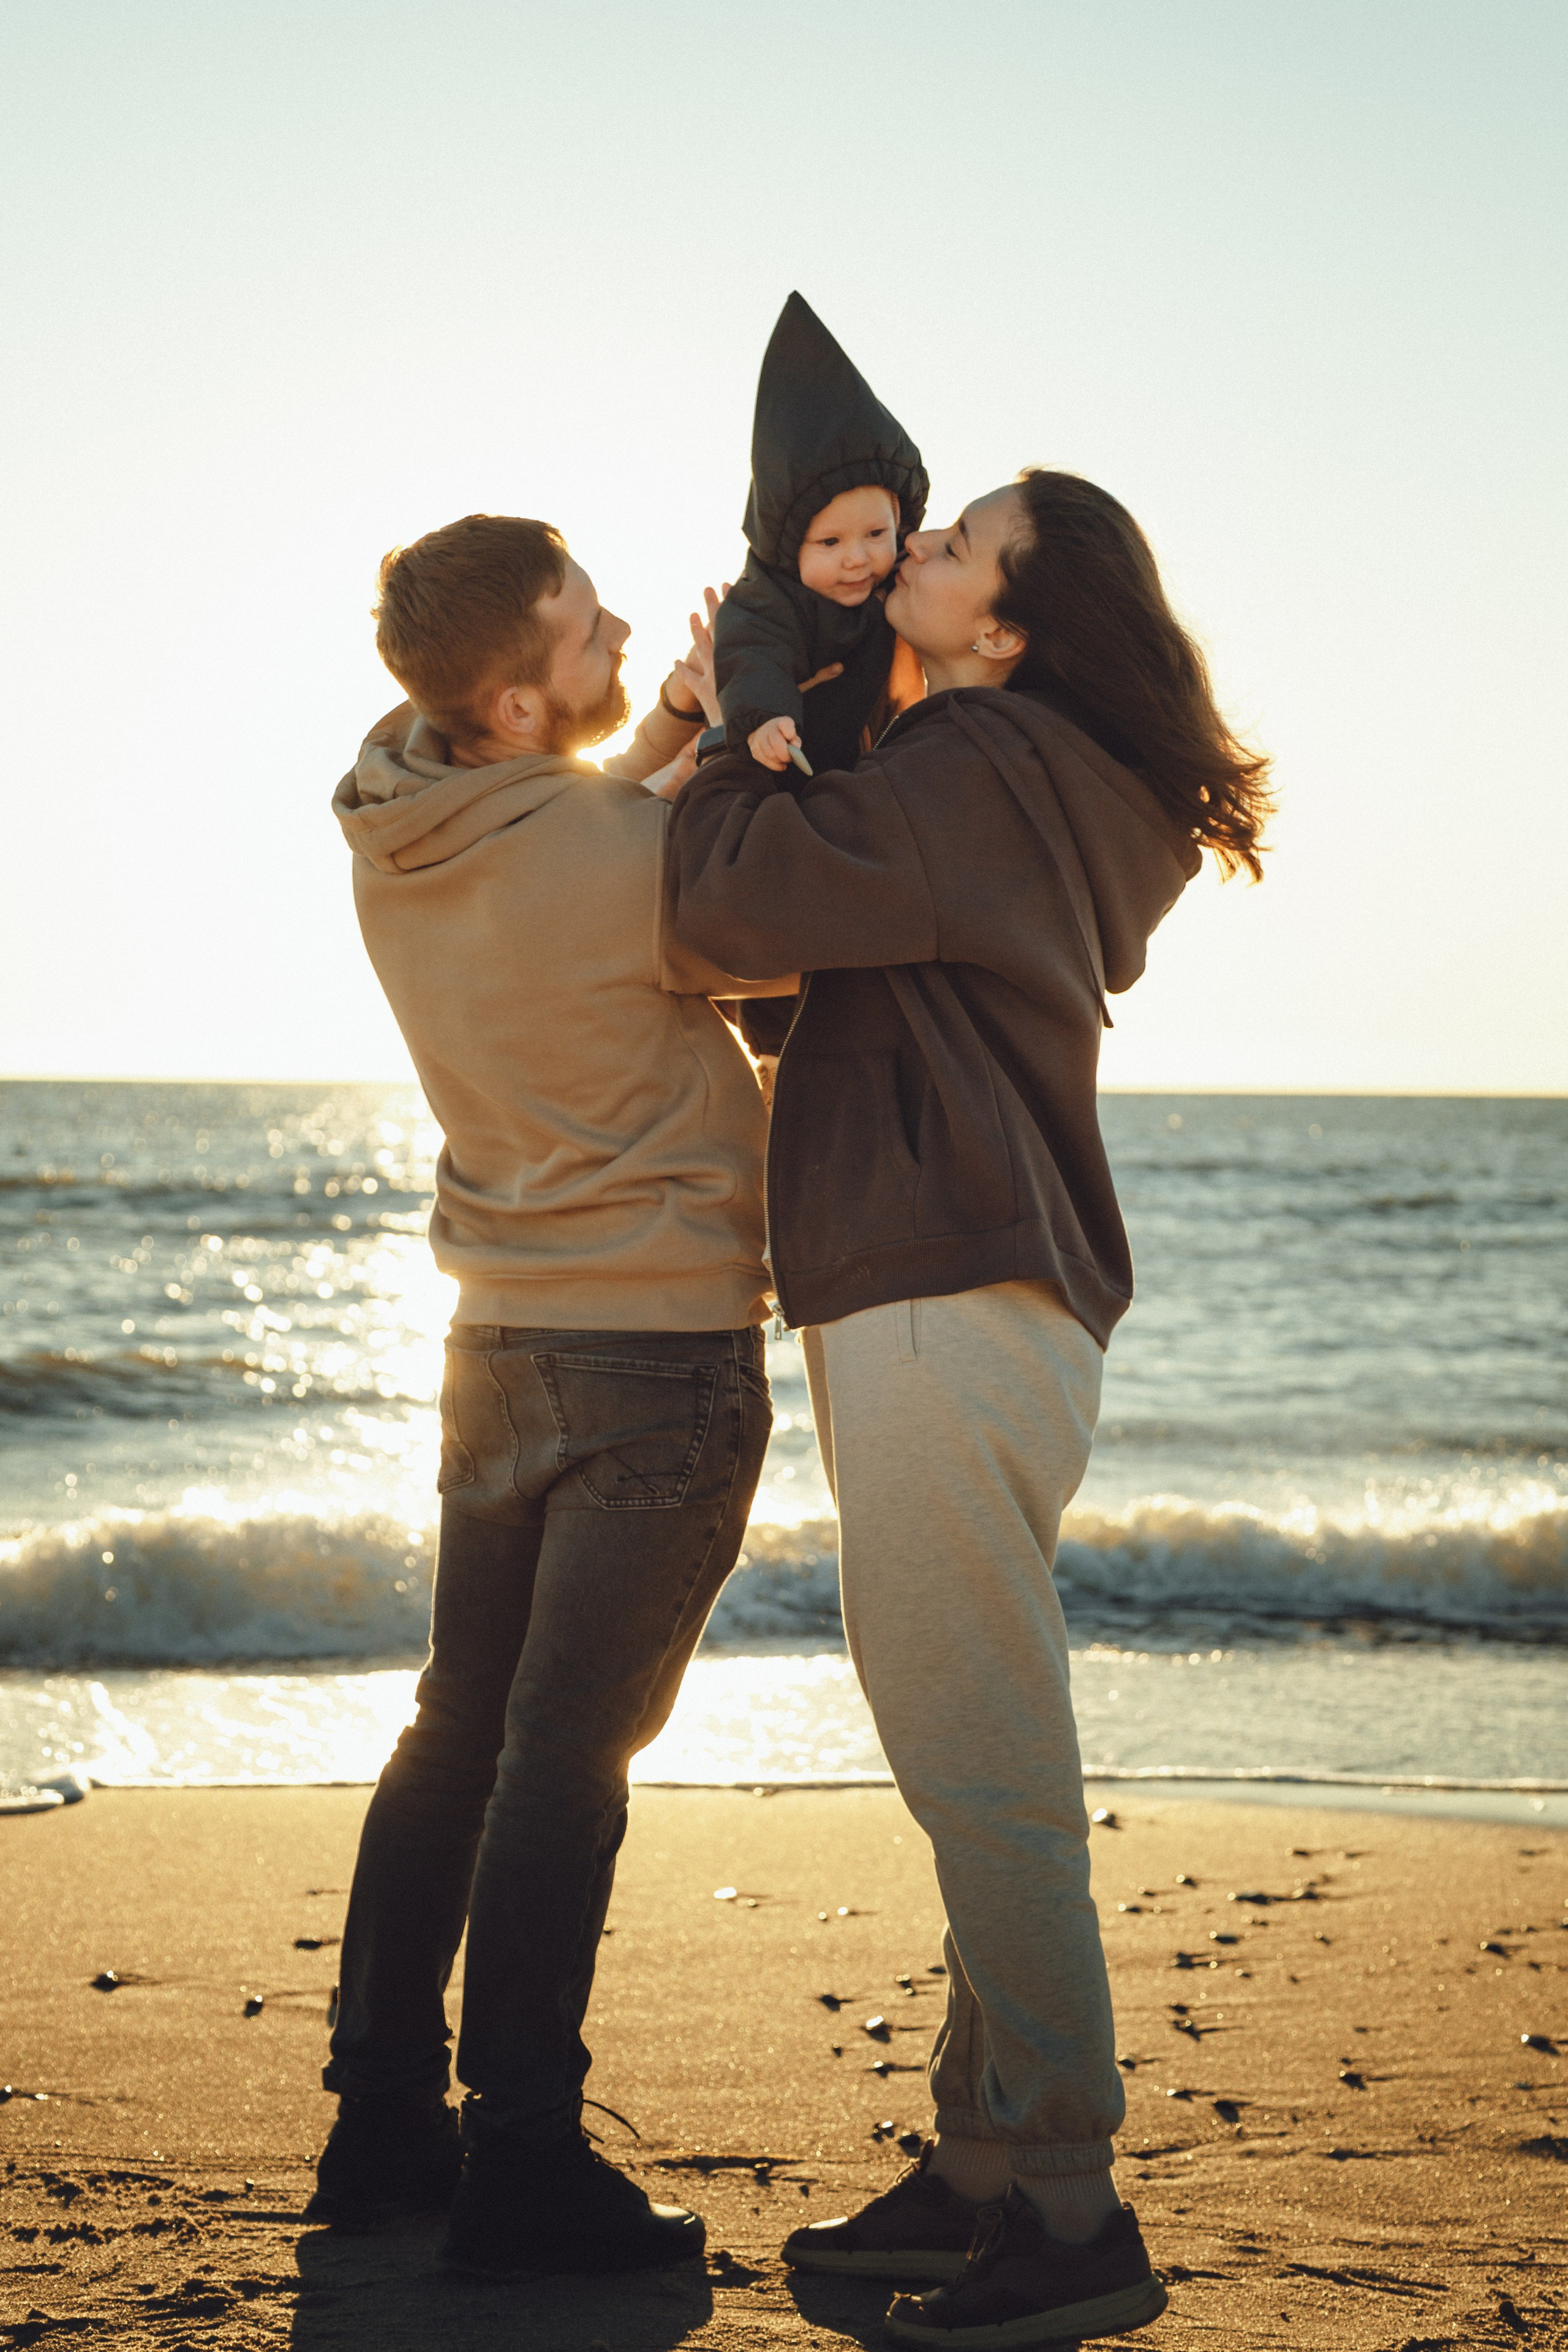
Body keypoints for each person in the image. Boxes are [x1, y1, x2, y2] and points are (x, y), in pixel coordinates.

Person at [668, 468, 1272, 2346]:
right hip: (984, 1287)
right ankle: (984, 2159)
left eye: (951, 544)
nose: (910, 546)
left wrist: (714, 735)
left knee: (977, 1756)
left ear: (1004, 622)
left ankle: (1072, 2208)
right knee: (978, 1738)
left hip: (941, 1286)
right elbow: (824, 977)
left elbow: (725, 915)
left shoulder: (980, 762)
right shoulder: (1016, 772)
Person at [318, 513, 790, 2277]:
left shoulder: (393, 822)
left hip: (495, 1342)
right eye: (589, 636)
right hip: (655, 1356)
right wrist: (739, 735)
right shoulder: (617, 853)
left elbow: (563, 821)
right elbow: (776, 938)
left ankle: (379, 2131)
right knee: (562, 1767)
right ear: (515, 706)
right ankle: (521, 2158)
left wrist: (646, 732)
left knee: (458, 1729)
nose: (617, 645)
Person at [714, 291, 928, 776]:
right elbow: (751, 657)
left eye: (876, 533)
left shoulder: (904, 576)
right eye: (830, 543)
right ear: (789, 546)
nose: (857, 559)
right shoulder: (768, 599)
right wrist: (764, 720)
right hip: (796, 759)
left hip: (876, 756)